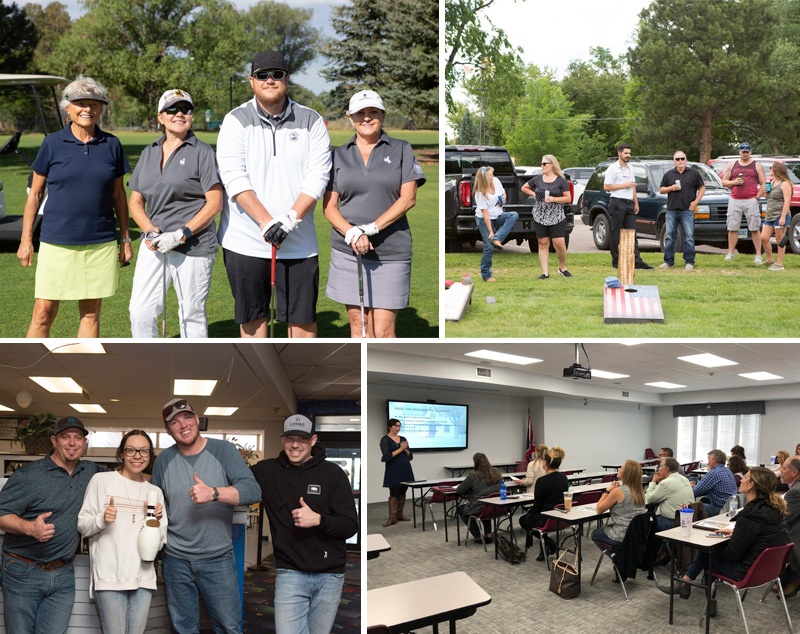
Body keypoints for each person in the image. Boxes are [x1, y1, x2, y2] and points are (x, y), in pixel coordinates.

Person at [216, 50, 331, 338]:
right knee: (254, 323)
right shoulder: (235, 120)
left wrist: (291, 218)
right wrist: (266, 221)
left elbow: (318, 176)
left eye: (277, 74)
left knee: (302, 324)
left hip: (299, 243)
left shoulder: (311, 120)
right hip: (245, 242)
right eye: (263, 75)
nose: (270, 80)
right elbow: (233, 176)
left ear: (287, 80)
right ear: (252, 81)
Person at [16, 76, 132, 337]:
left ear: (101, 108)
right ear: (67, 107)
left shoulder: (112, 144)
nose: (87, 109)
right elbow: (34, 195)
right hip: (57, 241)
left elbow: (118, 196)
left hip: (99, 242)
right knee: (43, 311)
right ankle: (32, 372)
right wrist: (26, 240)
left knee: (91, 313)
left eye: (94, 103)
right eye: (80, 103)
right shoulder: (51, 144)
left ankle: (85, 371)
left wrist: (125, 238)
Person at [151, 399, 261, 633]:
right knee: (183, 628)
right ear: (168, 430)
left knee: (228, 627)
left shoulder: (223, 451)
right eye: (174, 422)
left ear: (197, 419)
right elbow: (155, 503)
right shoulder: (163, 460)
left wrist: (213, 493)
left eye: (187, 418)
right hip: (176, 560)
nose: (183, 425)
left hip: (217, 558)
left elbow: (253, 490)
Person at [322, 89, 426, 338]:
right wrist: (352, 233)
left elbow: (408, 198)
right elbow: (329, 206)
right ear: (350, 118)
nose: (366, 118)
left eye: (373, 113)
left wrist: (370, 228)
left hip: (391, 252)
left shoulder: (401, 149)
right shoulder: (337, 155)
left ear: (383, 115)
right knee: (359, 326)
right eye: (360, 114)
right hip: (348, 251)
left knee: (383, 330)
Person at [128, 89, 224, 338]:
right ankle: (147, 364)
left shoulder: (202, 152)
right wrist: (149, 230)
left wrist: (182, 233)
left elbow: (214, 203)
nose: (179, 114)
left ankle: (192, 369)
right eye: (172, 109)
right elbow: (136, 201)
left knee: (191, 313)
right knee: (140, 312)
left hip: (194, 246)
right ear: (160, 117)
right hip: (154, 244)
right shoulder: (149, 152)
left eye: (185, 110)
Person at [251, 414, 358, 634]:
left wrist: (319, 519)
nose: (295, 444)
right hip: (290, 573)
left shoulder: (333, 474)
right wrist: (214, 492)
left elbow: (350, 525)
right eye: (290, 438)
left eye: (302, 438)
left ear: (313, 440)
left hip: (330, 575)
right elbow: (237, 480)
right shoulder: (266, 471)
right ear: (283, 440)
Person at [0, 416, 103, 633]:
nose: (72, 443)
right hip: (23, 571)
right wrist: (29, 528)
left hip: (63, 573)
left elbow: (125, 478)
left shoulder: (91, 472)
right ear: (54, 441)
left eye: (78, 438)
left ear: (85, 443)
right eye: (66, 437)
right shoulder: (29, 475)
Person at [77, 431, 167, 634]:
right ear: (122, 454)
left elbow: (160, 541)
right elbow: (83, 525)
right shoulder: (101, 481)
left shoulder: (155, 492)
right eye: (131, 450)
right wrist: (102, 519)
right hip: (110, 576)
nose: (137, 455)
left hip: (143, 577)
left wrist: (154, 520)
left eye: (144, 451)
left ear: (150, 455)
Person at [667, 467, 788, 601]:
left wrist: (716, 545)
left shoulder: (750, 516)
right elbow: (761, 534)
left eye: (745, 478)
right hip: (768, 571)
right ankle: (691, 588)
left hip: (745, 572)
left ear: (751, 485)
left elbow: (732, 555)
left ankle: (686, 585)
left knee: (707, 552)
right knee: (708, 553)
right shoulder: (775, 510)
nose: (740, 480)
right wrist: (737, 532)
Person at [521, 155, 572, 279]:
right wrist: (534, 194)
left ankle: (562, 267)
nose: (542, 166)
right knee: (542, 243)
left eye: (544, 164)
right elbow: (524, 187)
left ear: (552, 165)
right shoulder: (538, 179)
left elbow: (568, 198)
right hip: (540, 215)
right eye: (541, 164)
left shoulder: (561, 181)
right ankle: (545, 272)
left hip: (556, 215)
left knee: (559, 243)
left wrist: (554, 199)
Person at [603, 143, 653, 270]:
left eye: (629, 153)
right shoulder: (612, 168)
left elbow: (632, 186)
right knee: (616, 232)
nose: (628, 156)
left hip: (629, 203)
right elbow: (607, 186)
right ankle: (616, 260)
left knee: (632, 232)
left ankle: (636, 260)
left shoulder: (630, 167)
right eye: (625, 153)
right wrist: (623, 185)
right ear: (619, 153)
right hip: (617, 202)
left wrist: (636, 202)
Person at [657, 151, 705, 270]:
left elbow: (702, 187)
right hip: (671, 209)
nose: (680, 161)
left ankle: (689, 261)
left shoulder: (693, 173)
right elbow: (661, 190)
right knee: (669, 236)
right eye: (677, 159)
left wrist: (695, 202)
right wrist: (671, 188)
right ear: (674, 161)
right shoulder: (669, 174)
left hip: (687, 209)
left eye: (682, 159)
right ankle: (668, 261)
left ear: (686, 159)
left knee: (688, 236)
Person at [519, 446, 569, 559]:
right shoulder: (563, 478)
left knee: (524, 520)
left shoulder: (542, 481)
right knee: (536, 516)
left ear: (545, 462)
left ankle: (549, 542)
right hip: (561, 516)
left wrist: (532, 511)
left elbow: (537, 506)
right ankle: (545, 546)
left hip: (546, 517)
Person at [720, 143, 766, 263]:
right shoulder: (732, 164)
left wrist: (757, 198)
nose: (745, 153)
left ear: (750, 152)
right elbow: (724, 182)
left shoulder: (757, 165)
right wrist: (734, 182)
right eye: (743, 151)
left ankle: (758, 254)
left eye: (747, 151)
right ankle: (730, 253)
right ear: (739, 152)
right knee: (732, 227)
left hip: (751, 200)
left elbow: (763, 183)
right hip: (735, 199)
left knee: (754, 227)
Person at [471, 166, 519, 282]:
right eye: (490, 176)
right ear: (484, 179)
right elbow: (485, 214)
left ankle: (498, 238)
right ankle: (486, 274)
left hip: (497, 214)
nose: (493, 177)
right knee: (489, 246)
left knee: (514, 215)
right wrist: (491, 231)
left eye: (492, 174)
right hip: (484, 219)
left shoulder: (496, 181)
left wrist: (504, 197)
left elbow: (503, 194)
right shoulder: (479, 193)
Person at [592, 459, 646, 548]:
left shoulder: (618, 491)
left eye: (621, 468)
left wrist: (608, 491)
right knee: (609, 527)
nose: (619, 469)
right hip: (637, 534)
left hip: (622, 535)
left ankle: (618, 559)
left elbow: (599, 509)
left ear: (626, 473)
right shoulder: (640, 490)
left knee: (595, 534)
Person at [455, 453, 503, 544]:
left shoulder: (473, 475)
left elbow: (460, 490)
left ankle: (478, 536)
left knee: (461, 509)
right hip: (497, 506)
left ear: (475, 463)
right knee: (486, 506)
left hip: (481, 506)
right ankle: (488, 535)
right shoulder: (496, 472)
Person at [379, 418, 414, 526]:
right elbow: (386, 457)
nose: (398, 428)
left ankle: (400, 514)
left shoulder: (403, 438)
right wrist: (401, 448)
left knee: (403, 492)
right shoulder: (385, 440)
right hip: (393, 468)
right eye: (396, 426)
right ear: (390, 427)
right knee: (394, 492)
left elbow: (410, 456)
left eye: (399, 426)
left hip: (405, 467)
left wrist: (406, 449)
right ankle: (392, 517)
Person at [645, 457, 694, 531]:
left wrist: (653, 481)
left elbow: (649, 499)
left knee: (646, 523)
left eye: (661, 466)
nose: (659, 468)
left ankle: (660, 542)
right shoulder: (684, 479)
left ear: (666, 469)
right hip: (687, 519)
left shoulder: (665, 483)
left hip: (673, 522)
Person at [760, 161, 793, 270]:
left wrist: (783, 217)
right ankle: (769, 259)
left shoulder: (785, 184)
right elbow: (769, 199)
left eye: (771, 168)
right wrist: (765, 193)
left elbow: (787, 201)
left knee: (779, 239)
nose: (770, 170)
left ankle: (779, 263)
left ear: (776, 170)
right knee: (763, 238)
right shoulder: (772, 183)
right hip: (770, 214)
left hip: (780, 214)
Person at [691, 449, 738, 516]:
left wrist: (690, 487)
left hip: (720, 508)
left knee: (693, 507)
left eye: (709, 460)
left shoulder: (714, 473)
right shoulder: (728, 471)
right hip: (731, 507)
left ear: (714, 460)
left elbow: (695, 492)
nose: (707, 463)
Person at [779, 456, 800, 597]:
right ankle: (784, 579)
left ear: (794, 473)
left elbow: (783, 519)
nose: (780, 471)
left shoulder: (795, 492)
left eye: (784, 468)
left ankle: (792, 577)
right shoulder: (795, 488)